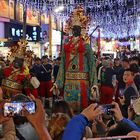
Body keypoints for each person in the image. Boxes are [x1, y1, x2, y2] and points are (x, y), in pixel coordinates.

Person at [54, 6, 97, 112]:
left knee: (83, 110)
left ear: (81, 29)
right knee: (69, 111)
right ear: (71, 29)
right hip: (69, 84)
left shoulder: (86, 46)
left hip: (83, 83)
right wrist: (57, 83)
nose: (76, 30)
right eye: (74, 28)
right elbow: (62, 66)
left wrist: (94, 84)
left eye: (78, 28)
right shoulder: (66, 46)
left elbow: (92, 65)